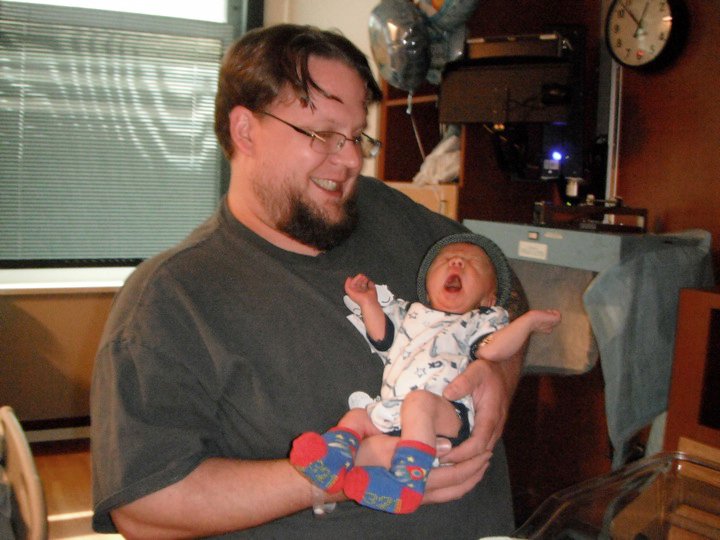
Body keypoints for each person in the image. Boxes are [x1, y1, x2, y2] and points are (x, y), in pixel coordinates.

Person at [91, 24, 529, 538]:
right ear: (245, 130)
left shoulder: (384, 210)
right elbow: (144, 505)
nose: (349, 159)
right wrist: (337, 476)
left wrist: (499, 375)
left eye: (356, 135)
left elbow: (507, 288)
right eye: (322, 134)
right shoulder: (171, 299)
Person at [290, 233, 560, 514]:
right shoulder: (412, 314)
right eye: (445, 261)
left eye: (473, 264)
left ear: (488, 299)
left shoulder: (477, 321)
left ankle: (406, 483)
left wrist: (527, 323)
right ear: (428, 290)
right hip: (394, 411)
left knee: (419, 402)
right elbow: (382, 337)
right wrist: (368, 301)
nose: (456, 262)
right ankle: (332, 462)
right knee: (358, 416)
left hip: (446, 412)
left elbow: (493, 351)